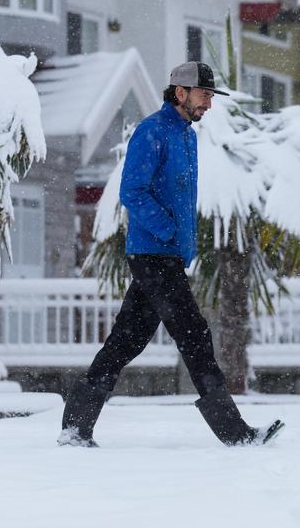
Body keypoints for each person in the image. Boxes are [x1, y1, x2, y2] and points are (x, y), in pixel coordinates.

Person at [59, 62, 285, 447]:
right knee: (194, 333)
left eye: (211, 97)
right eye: (204, 95)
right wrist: (168, 231)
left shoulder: (186, 136)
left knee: (126, 341)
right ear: (180, 93)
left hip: (168, 255)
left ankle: (75, 427)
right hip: (153, 253)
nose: (209, 104)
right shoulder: (152, 131)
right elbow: (132, 191)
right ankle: (235, 433)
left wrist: (182, 243)